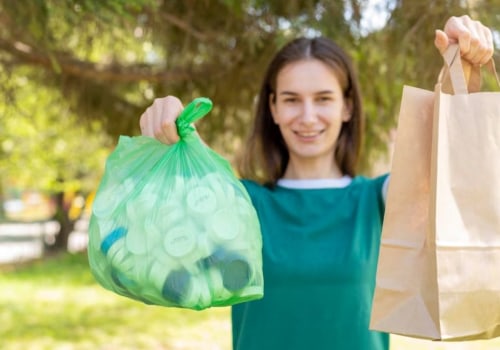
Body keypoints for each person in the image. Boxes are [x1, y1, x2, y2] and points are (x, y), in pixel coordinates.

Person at [139, 15, 494, 350]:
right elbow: (174, 202)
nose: (307, 117)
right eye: (291, 100)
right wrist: (169, 123)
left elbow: (439, 157)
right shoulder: (243, 203)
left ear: (347, 107)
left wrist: (458, 65)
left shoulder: (377, 200)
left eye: (323, 98)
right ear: (273, 109)